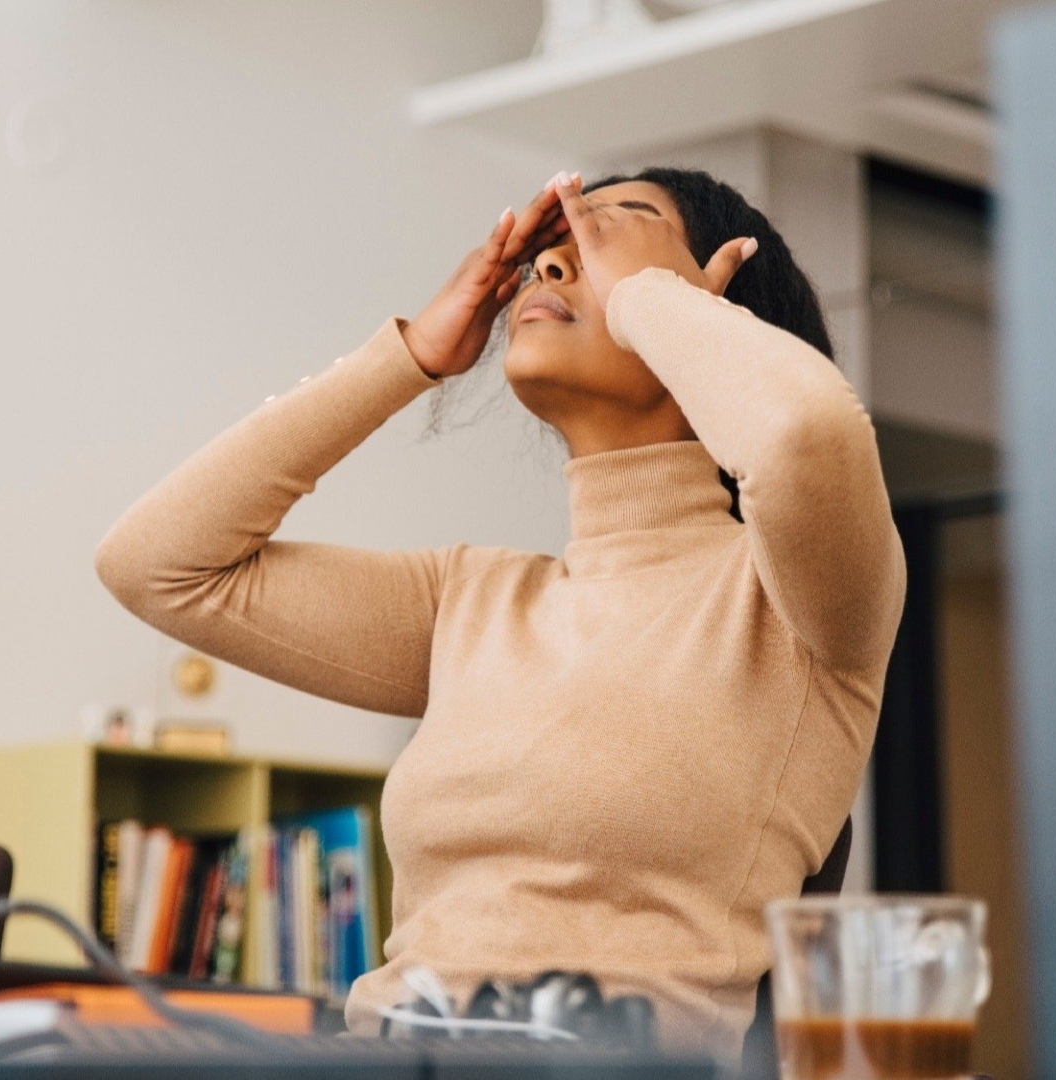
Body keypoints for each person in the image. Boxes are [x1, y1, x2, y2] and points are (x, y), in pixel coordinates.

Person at [95, 168, 906, 1061]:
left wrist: (648, 300)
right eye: (550, 248)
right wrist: (406, 359)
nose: (554, 263)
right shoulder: (471, 600)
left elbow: (808, 435)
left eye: (611, 233)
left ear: (714, 301)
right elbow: (156, 567)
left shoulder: (798, 604)